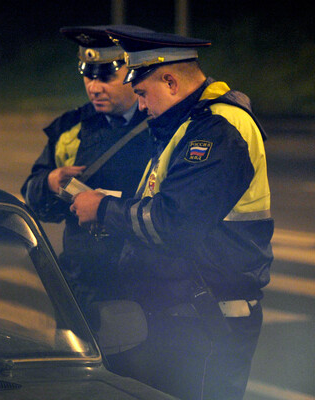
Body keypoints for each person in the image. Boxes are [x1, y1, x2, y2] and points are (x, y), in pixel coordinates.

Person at [70, 26, 273, 400]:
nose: (141, 106)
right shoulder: (187, 125)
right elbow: (160, 205)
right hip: (183, 317)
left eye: (142, 93)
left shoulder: (219, 129)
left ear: (170, 81)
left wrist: (103, 209)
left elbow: (174, 223)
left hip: (208, 321)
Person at [21, 25, 153, 312]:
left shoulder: (159, 127)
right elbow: (31, 195)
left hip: (142, 287)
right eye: (88, 76)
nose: (94, 87)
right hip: (81, 285)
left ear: (132, 73)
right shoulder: (72, 127)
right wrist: (50, 183)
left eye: (106, 77)